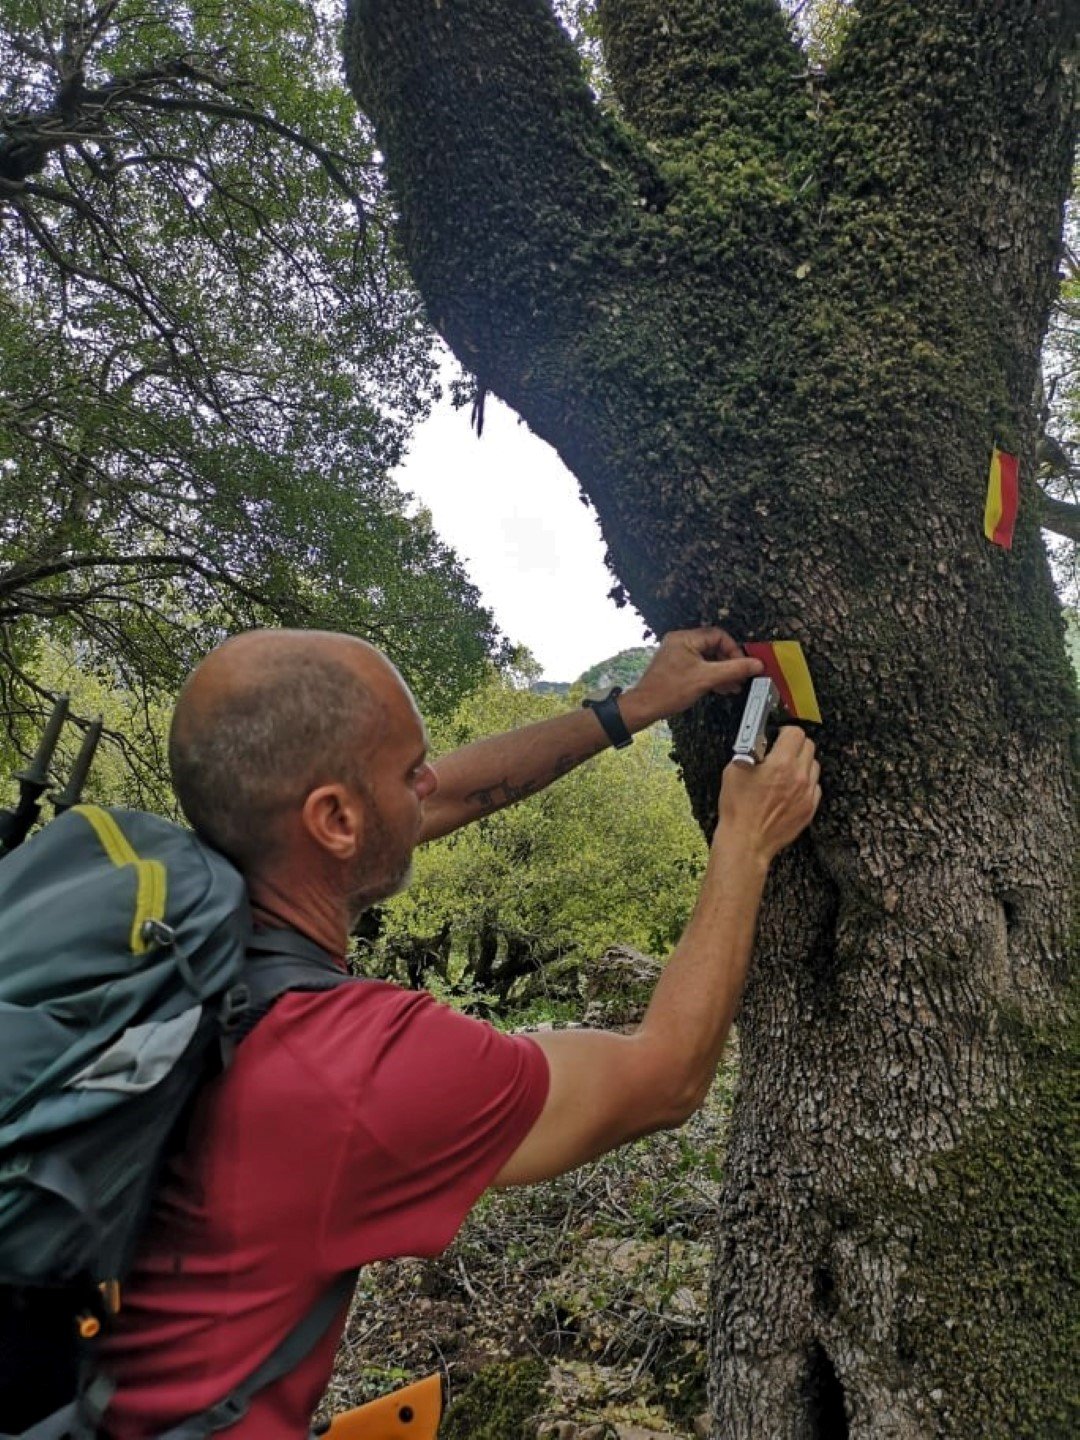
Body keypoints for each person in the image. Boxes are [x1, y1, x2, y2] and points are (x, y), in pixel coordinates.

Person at [99, 625, 820, 1439]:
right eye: (408, 772)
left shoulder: (151, 918)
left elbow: (433, 800)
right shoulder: (356, 1072)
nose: (430, 785)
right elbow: (664, 1077)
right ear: (334, 818)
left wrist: (633, 708)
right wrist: (745, 845)